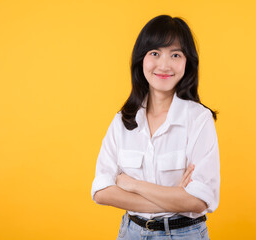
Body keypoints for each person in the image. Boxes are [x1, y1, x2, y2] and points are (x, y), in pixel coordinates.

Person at [91, 15, 220, 240]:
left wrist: (131, 184)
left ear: (187, 62)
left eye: (175, 55)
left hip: (183, 234)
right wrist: (172, 197)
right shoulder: (123, 120)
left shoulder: (199, 119)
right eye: (155, 53)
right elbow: (101, 192)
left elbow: (199, 200)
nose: (164, 65)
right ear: (141, 59)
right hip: (130, 232)